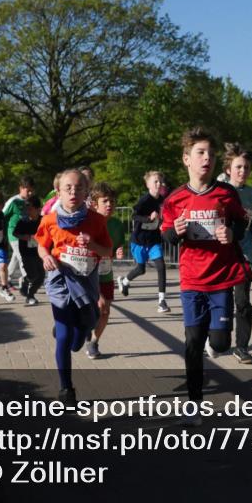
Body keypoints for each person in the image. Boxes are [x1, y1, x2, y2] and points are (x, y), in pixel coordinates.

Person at [161, 127, 251, 425]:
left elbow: (241, 224)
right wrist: (176, 232)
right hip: (191, 280)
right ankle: (194, 404)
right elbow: (166, 236)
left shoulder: (226, 193)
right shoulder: (175, 199)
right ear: (186, 159)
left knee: (222, 343)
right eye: (200, 153)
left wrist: (231, 233)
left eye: (211, 155)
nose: (207, 159)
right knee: (192, 343)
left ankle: (219, 340)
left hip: (221, 279)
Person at [35, 168, 113, 405]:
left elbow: (107, 252)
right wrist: (46, 257)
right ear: (58, 191)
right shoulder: (49, 220)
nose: (73, 192)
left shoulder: (96, 220)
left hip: (86, 281)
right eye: (68, 188)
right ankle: (66, 389)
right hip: (60, 279)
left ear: (86, 191)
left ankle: (78, 334)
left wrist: (92, 245)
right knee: (64, 336)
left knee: (79, 339)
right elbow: (42, 246)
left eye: (79, 188)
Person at [224, 143, 252, 364]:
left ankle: (242, 347)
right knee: (221, 300)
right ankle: (214, 338)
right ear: (229, 169)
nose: (243, 171)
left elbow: (247, 218)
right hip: (221, 254)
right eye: (238, 167)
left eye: (246, 167)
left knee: (243, 301)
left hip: (243, 252)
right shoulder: (220, 189)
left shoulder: (250, 192)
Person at [120, 170, 169, 312]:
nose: (158, 184)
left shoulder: (162, 201)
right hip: (139, 241)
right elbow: (134, 216)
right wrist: (148, 218)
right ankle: (124, 281)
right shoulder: (144, 200)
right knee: (141, 269)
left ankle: (162, 301)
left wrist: (163, 222)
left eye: (160, 181)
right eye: (155, 181)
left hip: (154, 241)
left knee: (161, 266)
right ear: (148, 185)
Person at [87, 182, 126, 359]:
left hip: (106, 274)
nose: (110, 204)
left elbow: (117, 246)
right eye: (105, 201)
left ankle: (93, 342)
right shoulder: (88, 222)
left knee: (105, 311)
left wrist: (119, 251)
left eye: (112, 201)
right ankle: (78, 327)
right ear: (95, 203)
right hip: (87, 275)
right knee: (98, 306)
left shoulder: (117, 224)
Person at [3, 176, 36, 293]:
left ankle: (7, 279)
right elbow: (2, 215)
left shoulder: (30, 201)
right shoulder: (13, 201)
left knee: (16, 258)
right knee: (23, 257)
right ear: (21, 188)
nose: (30, 193)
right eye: (28, 190)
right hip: (14, 234)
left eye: (32, 190)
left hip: (25, 234)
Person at [13, 196, 46, 306]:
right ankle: (26, 280)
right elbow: (15, 233)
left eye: (30, 209)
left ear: (38, 209)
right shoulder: (23, 221)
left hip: (40, 252)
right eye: (26, 209)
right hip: (26, 253)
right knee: (33, 274)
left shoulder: (43, 220)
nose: (27, 211)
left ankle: (30, 295)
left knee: (40, 277)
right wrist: (25, 237)